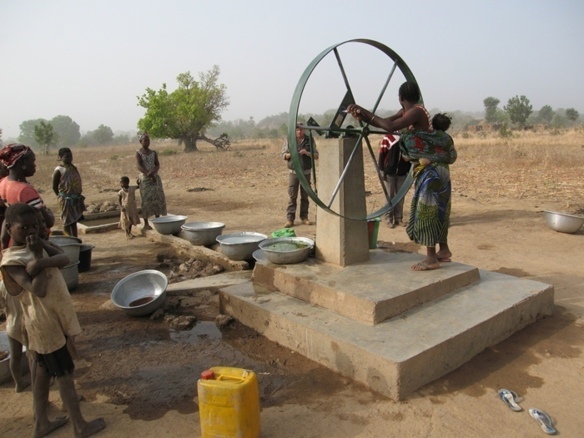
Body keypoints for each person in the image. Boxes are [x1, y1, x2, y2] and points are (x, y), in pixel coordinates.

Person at [1, 203, 106, 438]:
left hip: (52, 320)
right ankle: (80, 426)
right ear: (9, 228)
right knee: (65, 374)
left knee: (41, 373)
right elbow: (37, 290)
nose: (31, 231)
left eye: (35, 225)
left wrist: (41, 259)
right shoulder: (12, 261)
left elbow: (63, 257)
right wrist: (38, 256)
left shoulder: (39, 244)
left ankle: (41, 424)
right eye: (23, 227)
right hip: (43, 324)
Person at [347, 81, 456, 271]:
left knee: (427, 211)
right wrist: (362, 116)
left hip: (430, 171)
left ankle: (431, 258)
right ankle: (443, 250)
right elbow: (383, 123)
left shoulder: (416, 112)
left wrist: (362, 108)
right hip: (437, 170)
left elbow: (389, 126)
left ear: (401, 97)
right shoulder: (408, 112)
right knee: (440, 209)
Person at [0, 143, 55, 250]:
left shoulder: (4, 183)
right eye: (32, 161)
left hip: (16, 241)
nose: (34, 165)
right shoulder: (24, 191)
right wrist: (49, 212)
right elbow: (48, 222)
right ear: (22, 162)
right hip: (32, 244)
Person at [281, 123, 319, 228]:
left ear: (304, 131)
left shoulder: (309, 140)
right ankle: (290, 219)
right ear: (294, 131)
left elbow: (316, 155)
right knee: (292, 196)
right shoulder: (289, 140)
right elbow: (283, 155)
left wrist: (307, 153)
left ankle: (304, 217)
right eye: (297, 130)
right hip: (294, 172)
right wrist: (292, 154)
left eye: (302, 130)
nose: (299, 132)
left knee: (305, 196)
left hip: (306, 172)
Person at [378, 133, 411, 228]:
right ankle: (388, 219)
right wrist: (382, 171)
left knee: (400, 196)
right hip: (390, 172)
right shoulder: (388, 138)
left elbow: (409, 156)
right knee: (390, 196)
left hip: (402, 172)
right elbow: (382, 154)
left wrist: (408, 171)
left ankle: (398, 218)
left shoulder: (407, 138)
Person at [52, 148, 86, 237]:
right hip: (65, 199)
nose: (70, 158)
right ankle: (68, 240)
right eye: (67, 157)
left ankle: (75, 239)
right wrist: (61, 197)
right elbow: (54, 187)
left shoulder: (72, 168)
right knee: (67, 222)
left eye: (71, 156)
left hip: (75, 199)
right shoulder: (59, 170)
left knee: (74, 221)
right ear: (60, 157)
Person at [136, 133, 167, 230]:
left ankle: (158, 221)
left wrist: (153, 173)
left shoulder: (153, 152)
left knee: (157, 198)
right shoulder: (138, 153)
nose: (147, 142)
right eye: (145, 140)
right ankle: (146, 223)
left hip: (155, 178)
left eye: (148, 140)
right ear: (140, 142)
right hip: (145, 179)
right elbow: (139, 166)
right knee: (146, 200)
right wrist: (148, 174)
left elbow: (157, 165)